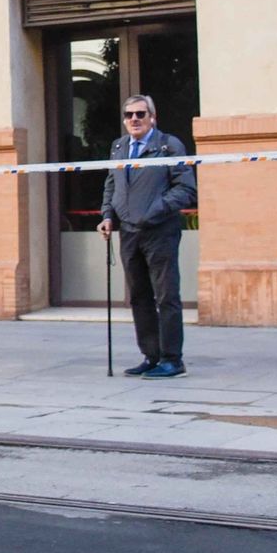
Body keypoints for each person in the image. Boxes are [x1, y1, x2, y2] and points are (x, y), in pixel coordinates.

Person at [98, 94, 197, 379]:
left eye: (140, 114)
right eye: (129, 115)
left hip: (160, 231)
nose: (134, 119)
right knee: (139, 297)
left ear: (152, 117)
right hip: (128, 233)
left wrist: (154, 210)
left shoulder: (168, 146)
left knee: (167, 296)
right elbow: (110, 185)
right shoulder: (119, 147)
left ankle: (172, 359)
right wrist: (107, 215)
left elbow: (186, 189)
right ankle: (151, 356)